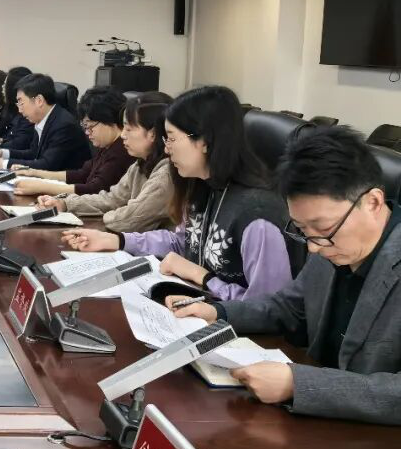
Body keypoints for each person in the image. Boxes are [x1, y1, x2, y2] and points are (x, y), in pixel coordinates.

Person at [167, 127, 400, 425]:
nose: (314, 248)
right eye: (302, 230)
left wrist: (297, 384)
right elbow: (289, 308)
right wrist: (217, 311)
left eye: (323, 229)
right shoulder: (330, 243)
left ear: (373, 202)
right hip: (317, 426)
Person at [63, 85, 293, 300]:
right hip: (195, 305)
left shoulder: (257, 215)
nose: (166, 148)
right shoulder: (202, 185)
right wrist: (118, 240)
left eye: (171, 138)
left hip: (230, 325)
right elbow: (180, 242)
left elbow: (268, 306)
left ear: (205, 141)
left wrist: (204, 278)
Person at [36, 92, 174, 233]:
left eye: (128, 129)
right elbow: (112, 199)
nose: (123, 135)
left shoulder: (165, 175)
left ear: (153, 134)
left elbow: (128, 220)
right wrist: (64, 203)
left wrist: (109, 214)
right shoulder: (140, 164)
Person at [15, 86, 133, 197]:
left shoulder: (122, 151)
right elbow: (81, 174)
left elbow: (94, 190)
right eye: (85, 126)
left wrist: (42, 187)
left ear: (109, 119)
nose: (87, 132)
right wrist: (34, 173)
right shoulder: (107, 146)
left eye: (90, 126)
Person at [0, 73, 92, 172]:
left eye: (21, 103)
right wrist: (3, 153)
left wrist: (5, 164)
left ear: (39, 101)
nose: (20, 110)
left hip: (66, 184)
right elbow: (33, 153)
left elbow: (47, 165)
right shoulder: (43, 119)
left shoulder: (63, 125)